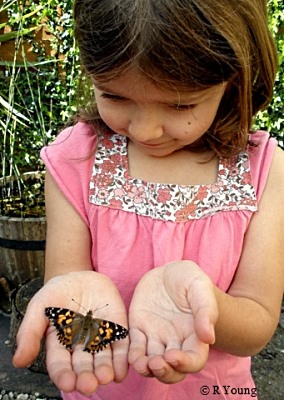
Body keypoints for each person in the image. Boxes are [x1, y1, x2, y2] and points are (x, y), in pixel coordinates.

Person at [12, 0, 284, 399]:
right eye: (114, 96)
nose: (145, 130)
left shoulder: (265, 169)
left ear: (235, 79)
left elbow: (257, 324)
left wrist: (203, 301)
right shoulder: (75, 159)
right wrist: (77, 310)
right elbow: (68, 286)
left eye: (180, 104)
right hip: (102, 388)